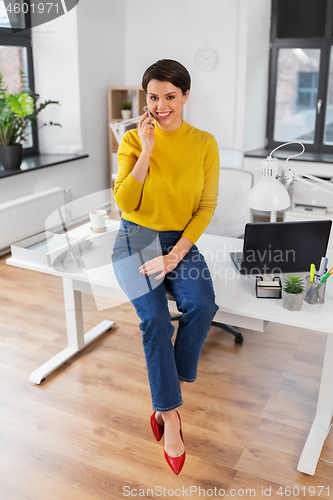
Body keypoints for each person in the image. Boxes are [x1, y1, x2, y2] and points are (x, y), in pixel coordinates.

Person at [111, 59, 219, 475]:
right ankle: (170, 415)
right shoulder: (134, 139)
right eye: (153, 97)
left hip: (181, 240)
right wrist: (147, 150)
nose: (160, 106)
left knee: (204, 306)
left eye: (169, 97)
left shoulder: (204, 143)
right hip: (135, 237)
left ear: (186, 96)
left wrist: (175, 255)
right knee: (155, 318)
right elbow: (125, 203)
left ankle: (168, 381)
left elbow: (206, 206)